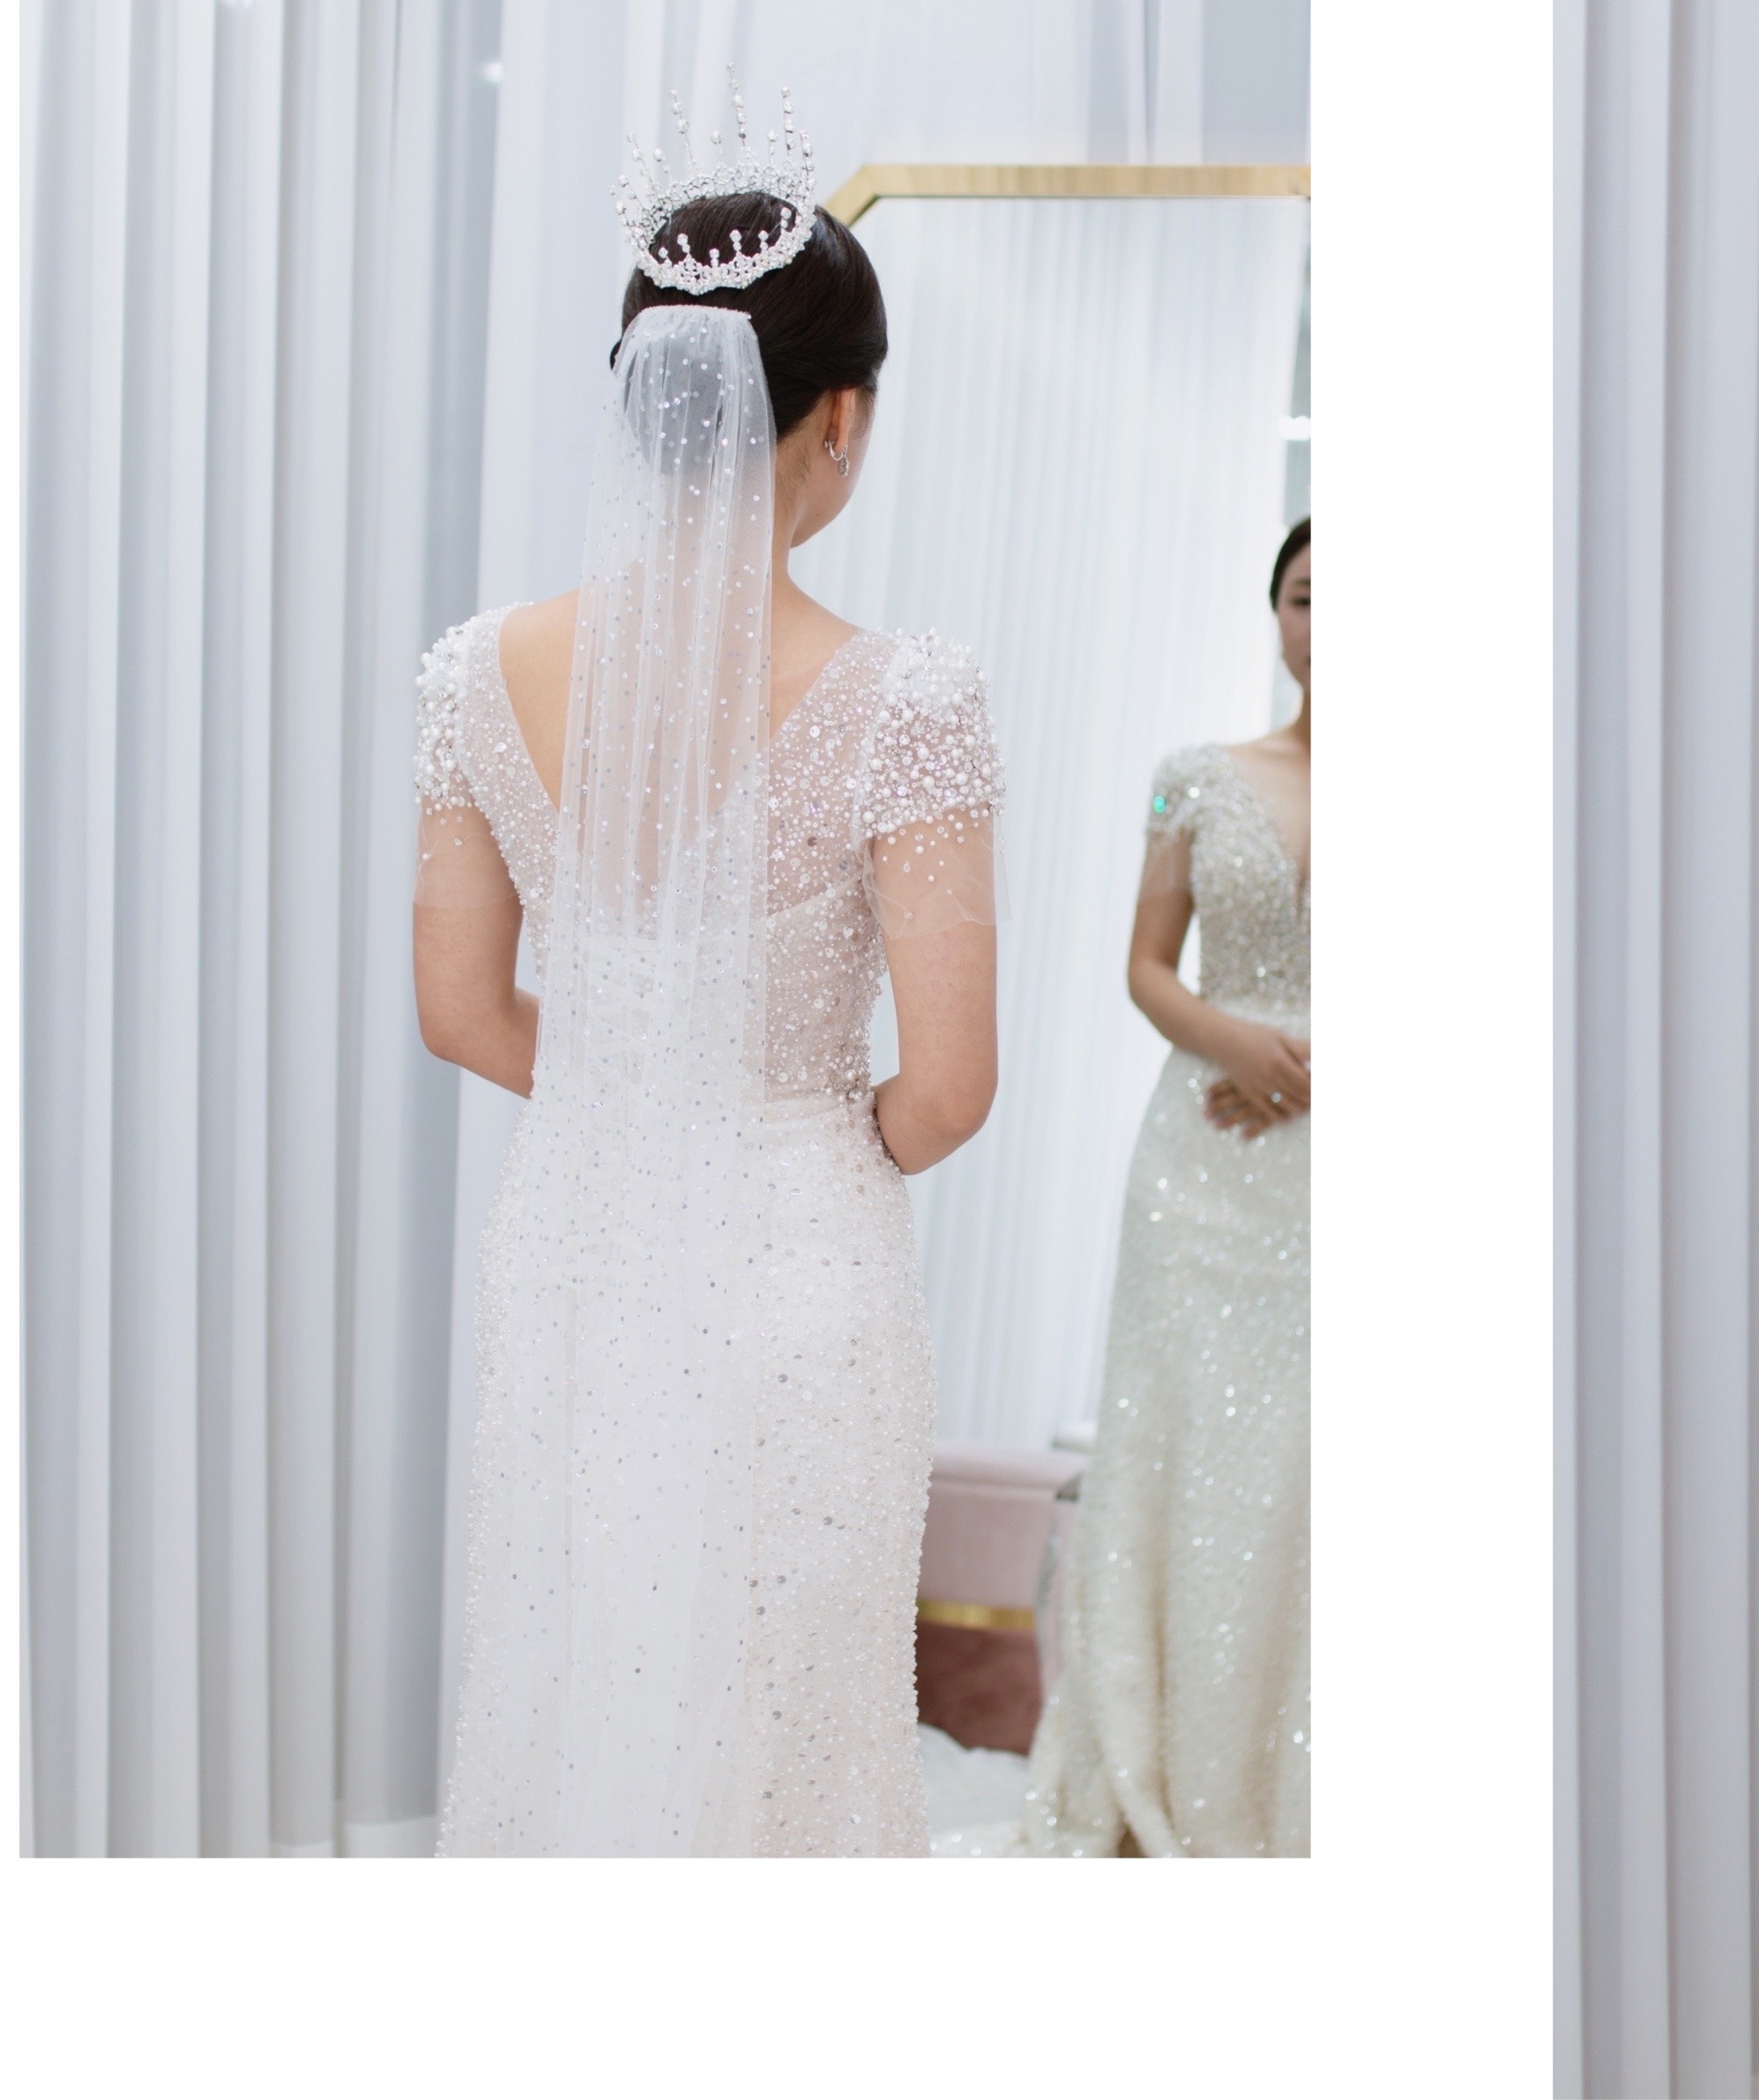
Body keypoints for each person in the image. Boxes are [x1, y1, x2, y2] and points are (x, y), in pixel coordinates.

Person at [413, 102, 1002, 1855]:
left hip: (579, 1243)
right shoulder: (906, 699)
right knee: (784, 1726)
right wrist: (798, 1130)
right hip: (798, 1258)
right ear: (843, 415)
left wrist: (641, 1093)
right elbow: (948, 1090)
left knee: (579, 1686)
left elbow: (461, 1010)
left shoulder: (475, 672)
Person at [1023, 520, 1312, 1856]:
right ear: (1275, 616)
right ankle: (1145, 1771)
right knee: (1178, 1439)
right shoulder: (1188, 781)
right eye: (1305, 596)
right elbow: (1146, 964)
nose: (1328, 623)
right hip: (1202, 1157)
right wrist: (1234, 1044)